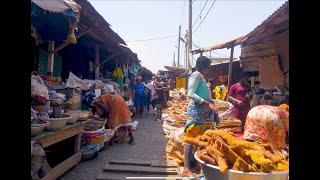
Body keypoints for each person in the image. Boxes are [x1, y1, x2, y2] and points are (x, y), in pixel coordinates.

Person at [183, 56, 218, 176]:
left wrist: (212, 103)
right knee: (191, 140)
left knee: (202, 140)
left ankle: (198, 164)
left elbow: (205, 95)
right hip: (197, 114)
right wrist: (207, 103)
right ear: (203, 66)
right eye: (208, 66)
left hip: (205, 115)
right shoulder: (196, 75)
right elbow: (190, 93)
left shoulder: (202, 78)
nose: (209, 69)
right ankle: (186, 168)